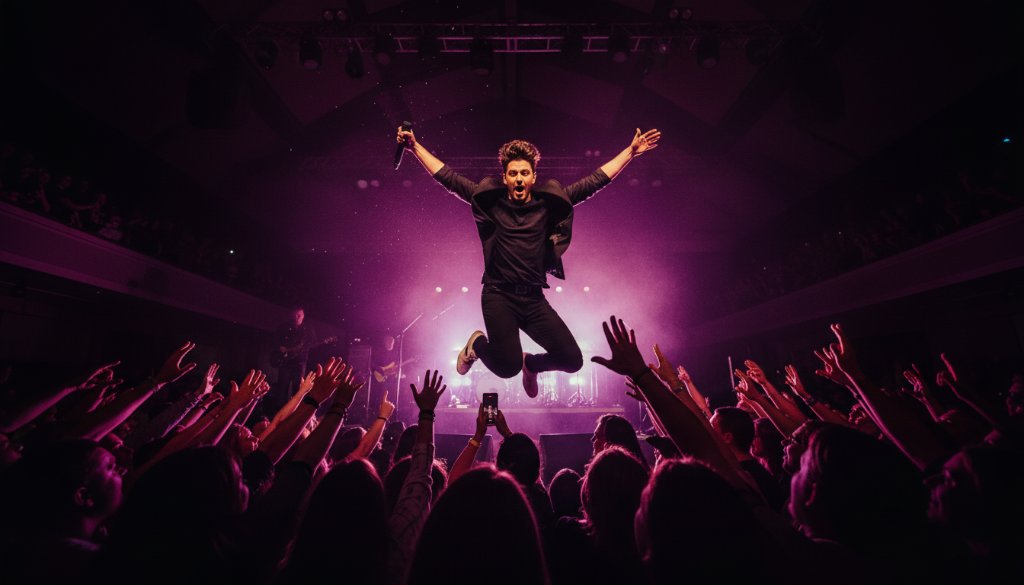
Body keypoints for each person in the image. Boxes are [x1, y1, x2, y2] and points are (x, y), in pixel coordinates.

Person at [398, 126, 661, 397]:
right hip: (498, 296)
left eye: (524, 173)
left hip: (533, 300)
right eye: (513, 174)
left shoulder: (548, 204)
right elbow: (449, 178)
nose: (519, 179)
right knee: (507, 367)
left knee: (572, 360)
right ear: (505, 177)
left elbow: (594, 181)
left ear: (533, 176)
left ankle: (531, 365)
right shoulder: (491, 202)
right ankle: (476, 345)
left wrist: (630, 152)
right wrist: (414, 147)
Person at [273, 306, 316, 403]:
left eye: (299, 315)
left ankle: (295, 409)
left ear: (303, 316)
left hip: (299, 363)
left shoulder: (308, 329)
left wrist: (301, 349)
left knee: (298, 388)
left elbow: (312, 343)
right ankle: (280, 408)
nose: (296, 317)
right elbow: (276, 339)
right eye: (295, 315)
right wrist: (280, 347)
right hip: (285, 362)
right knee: (282, 387)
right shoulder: (284, 327)